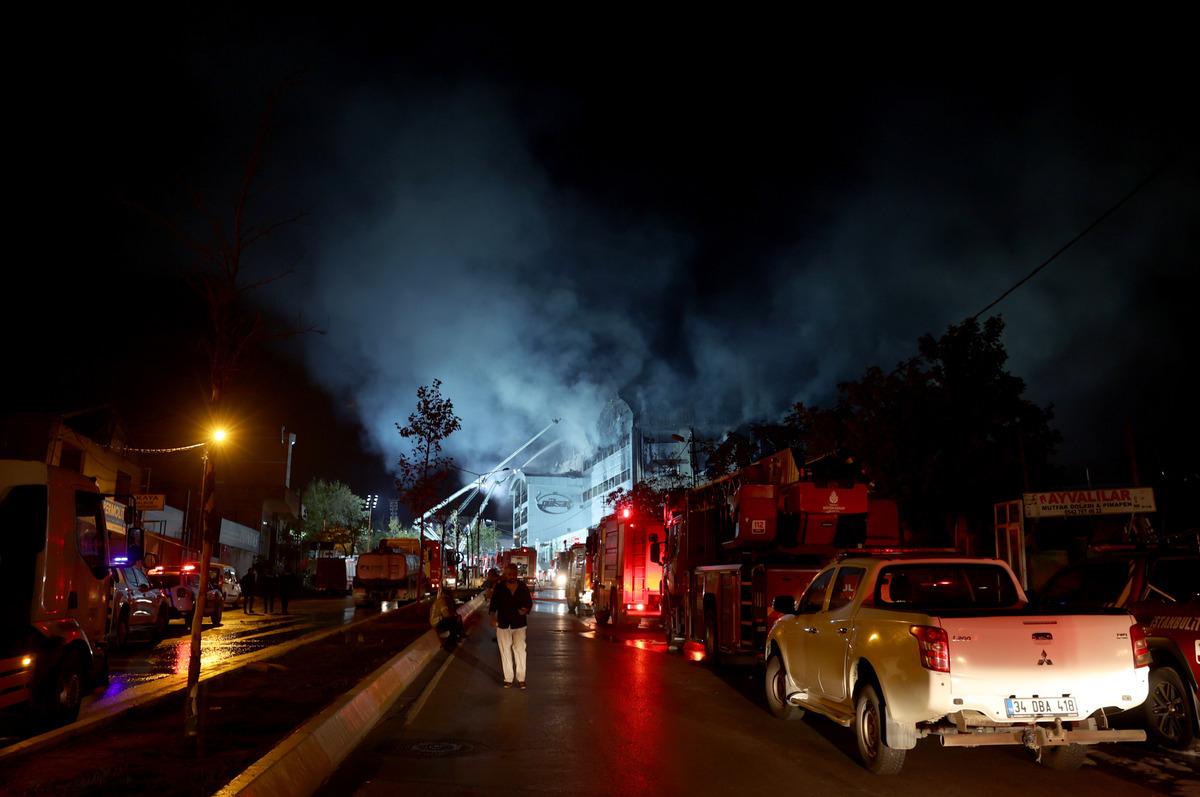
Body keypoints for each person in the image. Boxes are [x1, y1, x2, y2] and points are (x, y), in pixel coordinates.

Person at [488, 563, 533, 689]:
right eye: (509, 574)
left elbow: (529, 603)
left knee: (520, 650)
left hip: (519, 624)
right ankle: (508, 678)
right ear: (505, 575)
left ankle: (521, 679)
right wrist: (492, 617)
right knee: (505, 651)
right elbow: (493, 605)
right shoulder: (500, 588)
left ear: (516, 574)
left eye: (513, 574)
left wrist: (525, 610)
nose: (511, 576)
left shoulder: (523, 587)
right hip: (503, 624)